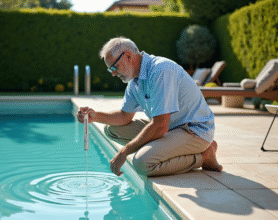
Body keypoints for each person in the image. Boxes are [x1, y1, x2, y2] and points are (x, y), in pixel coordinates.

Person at [77, 37, 222, 177]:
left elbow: (160, 126)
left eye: (114, 67)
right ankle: (164, 148)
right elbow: (124, 116)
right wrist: (95, 116)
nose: (113, 73)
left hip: (193, 130)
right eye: (110, 70)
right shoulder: (134, 81)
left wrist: (125, 151)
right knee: (112, 130)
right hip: (170, 128)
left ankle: (204, 156)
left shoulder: (160, 70)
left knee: (142, 163)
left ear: (127, 56)